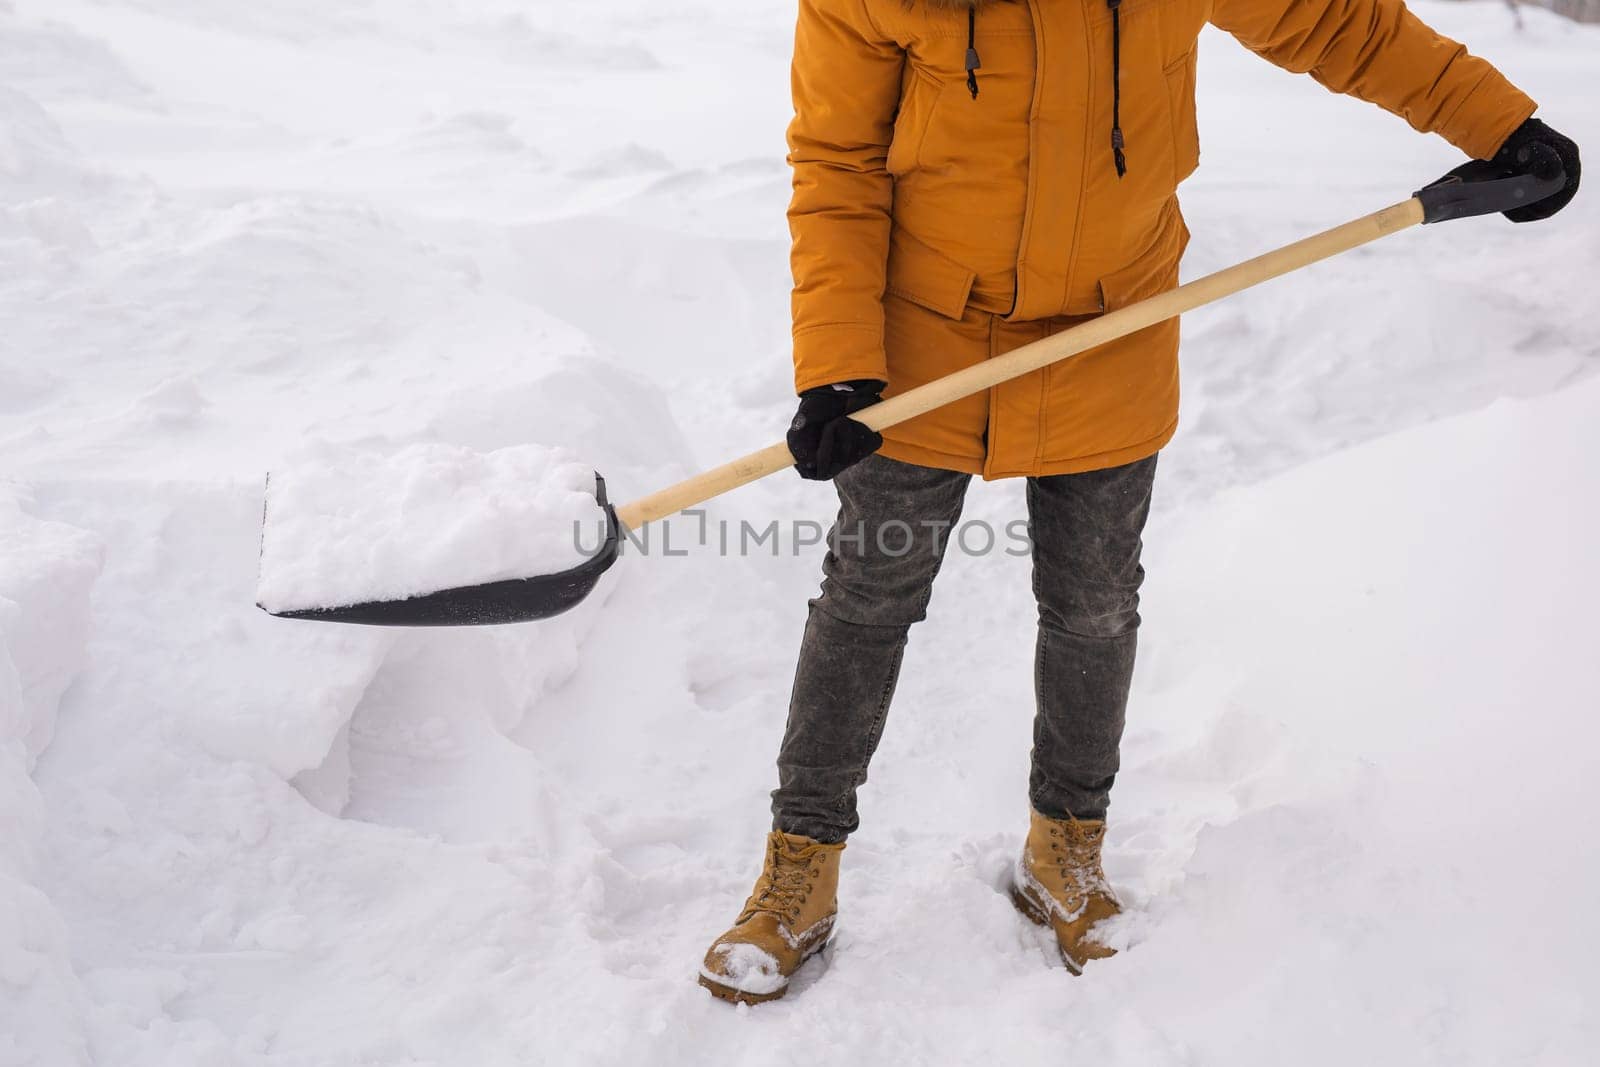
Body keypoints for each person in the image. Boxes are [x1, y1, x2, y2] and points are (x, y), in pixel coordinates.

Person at [697, 0, 1580, 1004]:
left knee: (1094, 602)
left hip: (1115, 328)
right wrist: (840, 368)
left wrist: (1495, 124)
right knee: (869, 595)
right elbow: (837, 163)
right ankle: (798, 864)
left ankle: (1064, 851)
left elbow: (1338, 24)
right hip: (923, 339)